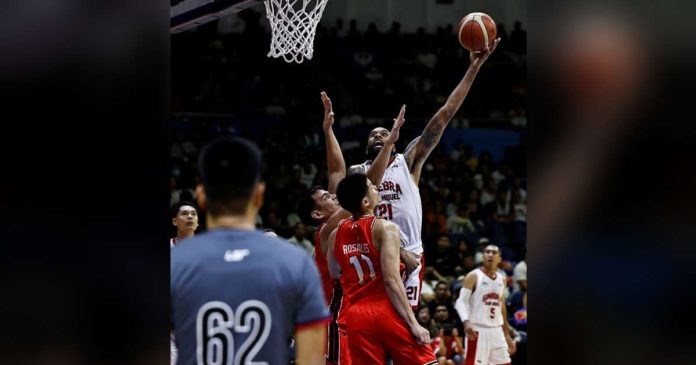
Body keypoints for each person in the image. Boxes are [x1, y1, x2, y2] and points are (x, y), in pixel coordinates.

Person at [349, 39, 500, 309]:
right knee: (373, 326)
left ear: (394, 141)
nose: (379, 136)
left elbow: (444, 115)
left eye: (385, 133)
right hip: (373, 255)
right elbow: (367, 190)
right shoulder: (357, 172)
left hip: (412, 255)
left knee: (405, 326)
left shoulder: (407, 161)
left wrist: (474, 68)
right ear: (366, 145)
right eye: (373, 135)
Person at [171, 136, 329, 365]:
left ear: (201, 196)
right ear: (259, 195)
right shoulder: (296, 262)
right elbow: (313, 358)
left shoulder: (174, 263)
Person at [296, 91, 405, 364]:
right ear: (317, 213)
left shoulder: (340, 222)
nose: (333, 195)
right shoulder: (327, 230)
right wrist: (389, 143)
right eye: (326, 198)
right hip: (332, 313)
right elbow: (362, 185)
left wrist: (328, 129)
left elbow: (336, 172)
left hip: (347, 311)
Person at [326, 173, 437, 364]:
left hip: (355, 315)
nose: (377, 188)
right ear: (366, 201)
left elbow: (334, 272)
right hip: (385, 308)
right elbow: (391, 280)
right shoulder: (385, 228)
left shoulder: (335, 234)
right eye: (372, 186)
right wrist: (414, 323)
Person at [454, 244, 516, 365]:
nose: (490, 255)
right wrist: (466, 322)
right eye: (487, 252)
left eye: (494, 252)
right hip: (477, 330)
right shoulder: (473, 276)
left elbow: (501, 306)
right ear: (483, 257)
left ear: (499, 259)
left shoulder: (502, 279)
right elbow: (460, 302)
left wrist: (507, 333)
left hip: (497, 330)